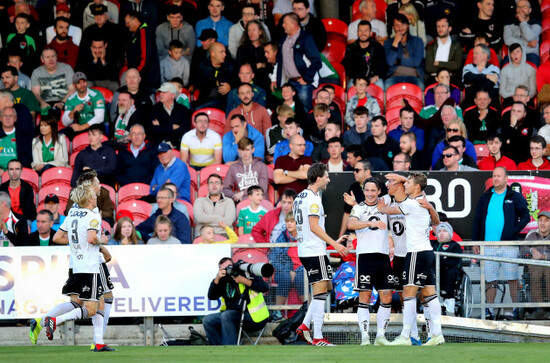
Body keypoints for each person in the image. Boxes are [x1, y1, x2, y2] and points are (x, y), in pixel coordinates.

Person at [377, 172, 444, 346]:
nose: (405, 185)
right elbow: (435, 221)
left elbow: (389, 210)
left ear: (416, 186)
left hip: (415, 253)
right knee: (429, 293)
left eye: (408, 183)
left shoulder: (412, 204)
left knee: (408, 294)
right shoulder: (421, 201)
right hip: (426, 252)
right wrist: (430, 207)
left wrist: (381, 208)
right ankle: (437, 334)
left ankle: (406, 336)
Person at [44, 183, 113, 351]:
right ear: (89, 198)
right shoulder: (92, 216)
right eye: (94, 195)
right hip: (90, 266)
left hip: (77, 265)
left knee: (98, 302)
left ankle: (98, 343)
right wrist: (102, 243)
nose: (96, 197)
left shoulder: (73, 214)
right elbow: (91, 238)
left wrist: (77, 244)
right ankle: (55, 320)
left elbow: (57, 237)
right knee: (91, 309)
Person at [294, 163, 349, 346]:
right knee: (320, 291)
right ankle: (317, 336)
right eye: (326, 176)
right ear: (318, 178)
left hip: (307, 249)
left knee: (327, 288)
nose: (328, 179)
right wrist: (334, 244)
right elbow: (314, 226)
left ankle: (304, 326)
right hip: (314, 250)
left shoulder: (299, 197)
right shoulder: (313, 198)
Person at [472, 166, 530, 320]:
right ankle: (489, 310)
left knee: (512, 278)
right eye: (494, 176)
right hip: (488, 245)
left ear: (506, 179)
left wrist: (513, 231)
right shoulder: (486, 196)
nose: (495, 178)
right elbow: (477, 220)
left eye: (499, 176)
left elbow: (526, 216)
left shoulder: (515, 196)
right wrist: (475, 241)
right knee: (490, 279)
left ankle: (513, 310)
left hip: (508, 245)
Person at [347, 178, 395, 345]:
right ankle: (365, 337)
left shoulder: (386, 202)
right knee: (365, 296)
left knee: (387, 297)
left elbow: (400, 189)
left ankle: (381, 336)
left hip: (382, 257)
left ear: (379, 191)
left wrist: (394, 179)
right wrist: (370, 222)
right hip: (365, 257)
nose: (369, 193)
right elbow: (351, 223)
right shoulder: (358, 208)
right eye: (367, 190)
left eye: (373, 190)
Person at [202, 256, 269, 345]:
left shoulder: (245, 274)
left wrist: (243, 281)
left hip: (254, 317)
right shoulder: (223, 280)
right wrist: (217, 278)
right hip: (234, 316)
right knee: (207, 320)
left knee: (227, 315)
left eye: (230, 266)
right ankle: (219, 348)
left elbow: (264, 287)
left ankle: (230, 349)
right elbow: (212, 296)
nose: (228, 270)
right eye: (224, 268)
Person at [275, 12, 321, 113]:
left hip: (303, 83)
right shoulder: (283, 40)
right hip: (290, 82)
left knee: (304, 112)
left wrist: (306, 78)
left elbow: (316, 61)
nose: (282, 25)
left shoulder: (306, 38)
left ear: (294, 24)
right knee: (290, 112)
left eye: (285, 23)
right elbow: (279, 62)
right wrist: (275, 78)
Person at [383, 14, 425, 89]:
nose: (400, 28)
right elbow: (390, 62)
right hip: (394, 77)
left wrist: (398, 61)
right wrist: (395, 43)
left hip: (414, 77)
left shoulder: (418, 41)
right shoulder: (388, 43)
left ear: (407, 26)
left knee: (420, 87)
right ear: (393, 27)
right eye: (397, 25)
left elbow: (416, 62)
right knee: (387, 87)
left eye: (403, 24)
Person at [343, 19, 386, 90]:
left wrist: (377, 75)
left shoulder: (377, 47)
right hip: (356, 78)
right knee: (351, 87)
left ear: (371, 33)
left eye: (366, 31)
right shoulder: (351, 48)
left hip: (373, 78)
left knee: (379, 86)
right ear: (357, 32)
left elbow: (382, 65)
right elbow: (348, 68)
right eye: (360, 31)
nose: (363, 33)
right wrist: (359, 79)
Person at [61, 72, 106, 140]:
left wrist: (82, 127)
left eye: (84, 81)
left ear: (87, 82)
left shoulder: (96, 94)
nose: (82, 85)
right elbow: (65, 122)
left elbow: (100, 117)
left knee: (97, 131)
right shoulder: (71, 99)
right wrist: (73, 111)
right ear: (74, 85)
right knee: (61, 135)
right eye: (78, 83)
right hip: (79, 126)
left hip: (95, 126)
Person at [223, 137, 268, 203]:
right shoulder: (233, 168)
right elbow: (225, 189)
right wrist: (234, 196)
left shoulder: (262, 166)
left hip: (260, 202)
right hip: (242, 203)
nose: (245, 153)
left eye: (247, 150)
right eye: (242, 150)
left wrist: (243, 193)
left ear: (253, 150)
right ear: (238, 150)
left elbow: (263, 188)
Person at [523, 211, 550, 320]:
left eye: (546, 221)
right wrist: (531, 250)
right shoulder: (531, 234)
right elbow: (522, 250)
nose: (543, 223)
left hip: (548, 265)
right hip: (534, 266)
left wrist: (543, 256)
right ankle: (540, 309)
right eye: (540, 220)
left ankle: (548, 308)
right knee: (535, 269)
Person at [124, 10, 161, 88]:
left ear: (135, 20)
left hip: (146, 80)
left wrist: (135, 73)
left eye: (128, 22)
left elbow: (145, 56)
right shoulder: (137, 33)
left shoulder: (143, 31)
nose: (126, 25)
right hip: (141, 78)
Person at [31, 48, 75, 112]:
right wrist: (42, 102)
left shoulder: (67, 68)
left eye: (53, 56)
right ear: (42, 59)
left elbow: (72, 89)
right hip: (45, 103)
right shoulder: (37, 72)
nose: (51, 59)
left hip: (65, 102)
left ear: (56, 57)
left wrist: (62, 103)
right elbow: (36, 93)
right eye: (47, 57)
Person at [432, 222, 462, 316]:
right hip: (433, 271)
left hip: (448, 272)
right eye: (439, 231)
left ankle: (449, 301)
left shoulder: (454, 246)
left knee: (450, 272)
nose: (441, 233)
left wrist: (441, 260)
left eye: (444, 231)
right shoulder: (432, 244)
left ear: (450, 234)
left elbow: (454, 261)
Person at [503, 0, 541, 66]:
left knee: (534, 59)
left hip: (530, 55)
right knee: (505, 61)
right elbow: (507, 40)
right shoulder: (509, 23)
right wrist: (526, 43)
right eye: (519, 7)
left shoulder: (536, 23)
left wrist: (522, 22)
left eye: (524, 7)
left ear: (530, 10)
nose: (521, 9)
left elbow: (530, 37)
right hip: (514, 55)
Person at [339, 159, 373, 236]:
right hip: (355, 233)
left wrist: (355, 204)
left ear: (367, 171)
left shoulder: (380, 186)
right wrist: (341, 237)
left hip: (374, 231)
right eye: (354, 170)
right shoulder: (353, 188)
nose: (354, 172)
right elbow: (347, 213)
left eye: (357, 170)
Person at [424, 17, 462, 83]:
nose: (440, 29)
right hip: (434, 78)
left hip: (451, 78)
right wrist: (448, 65)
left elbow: (457, 65)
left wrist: (438, 63)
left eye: (443, 26)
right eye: (438, 26)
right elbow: (428, 67)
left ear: (449, 28)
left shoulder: (456, 45)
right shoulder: (431, 46)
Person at [499, 43, 537, 108]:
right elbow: (501, 91)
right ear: (509, 55)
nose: (515, 55)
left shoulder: (531, 69)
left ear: (522, 53)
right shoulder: (504, 70)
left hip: (525, 99)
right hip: (510, 98)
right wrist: (514, 96)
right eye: (512, 52)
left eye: (518, 52)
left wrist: (523, 97)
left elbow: (533, 91)